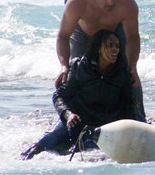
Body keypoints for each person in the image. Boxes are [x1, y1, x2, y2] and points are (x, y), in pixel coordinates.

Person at [21, 30, 140, 160]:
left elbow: (129, 105)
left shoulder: (122, 73)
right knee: (41, 147)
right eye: (110, 45)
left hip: (101, 128)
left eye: (117, 46)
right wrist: (68, 115)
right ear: (99, 48)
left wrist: (137, 130)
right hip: (74, 122)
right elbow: (58, 96)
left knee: (85, 152)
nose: (115, 50)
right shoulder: (80, 67)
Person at [55, 0, 145, 122]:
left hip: (114, 33)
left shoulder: (127, 4)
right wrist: (64, 66)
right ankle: (69, 120)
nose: (110, 3)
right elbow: (63, 36)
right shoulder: (77, 1)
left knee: (129, 76)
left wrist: (133, 66)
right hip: (83, 35)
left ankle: (139, 120)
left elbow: (133, 38)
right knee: (74, 75)